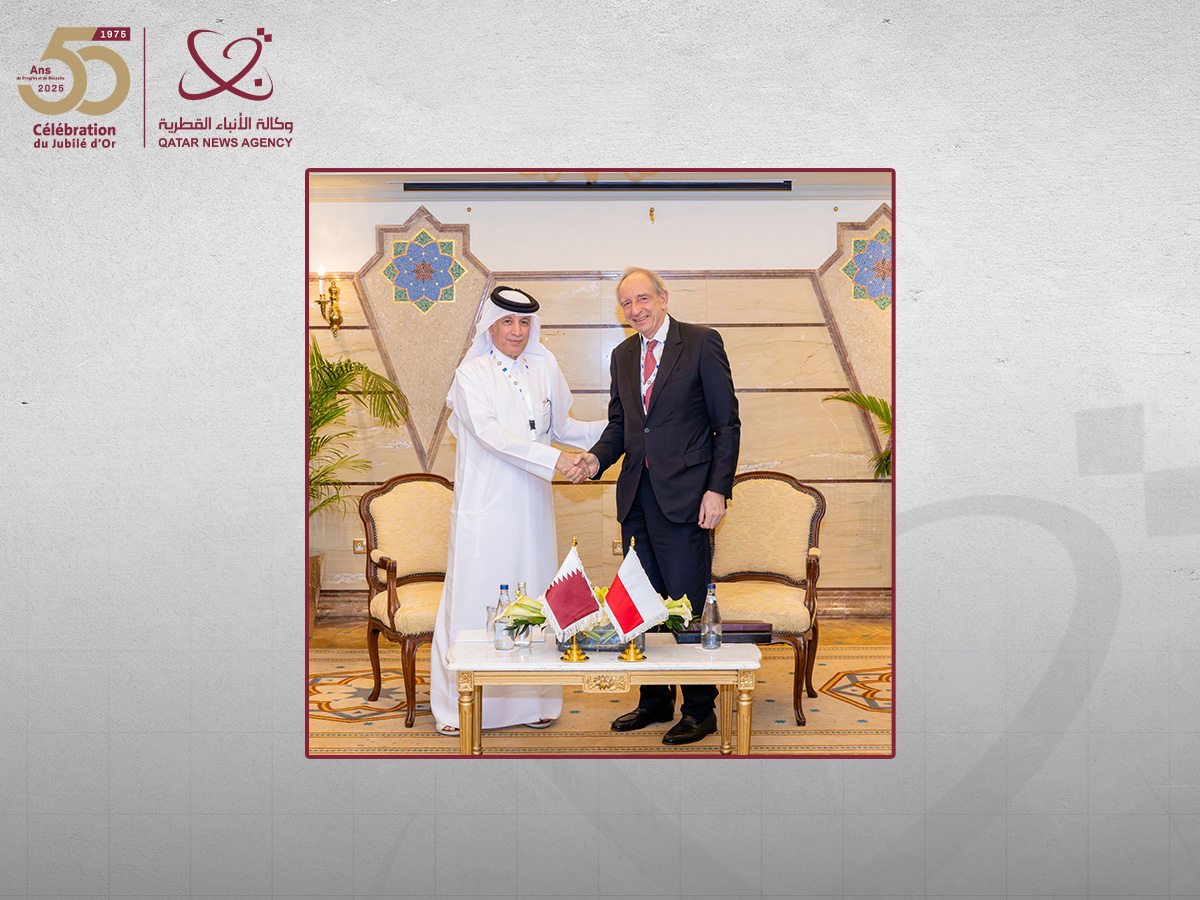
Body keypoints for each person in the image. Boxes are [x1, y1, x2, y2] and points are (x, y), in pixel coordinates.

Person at [429, 286, 603, 735]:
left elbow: (563, 427)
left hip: (532, 507)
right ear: (491, 326)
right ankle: (459, 708)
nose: (517, 331)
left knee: (534, 593)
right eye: (507, 321)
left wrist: (622, 429)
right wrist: (557, 460)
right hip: (486, 507)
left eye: (524, 322)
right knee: (478, 597)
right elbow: (492, 437)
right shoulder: (471, 374)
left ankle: (534, 701)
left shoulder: (545, 366)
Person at [577, 267, 740, 745]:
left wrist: (717, 490)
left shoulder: (702, 342)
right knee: (640, 601)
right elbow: (622, 427)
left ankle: (700, 709)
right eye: (627, 303)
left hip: (688, 497)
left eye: (643, 299)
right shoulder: (623, 355)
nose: (636, 310)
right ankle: (654, 701)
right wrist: (595, 459)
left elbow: (727, 424)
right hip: (636, 498)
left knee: (685, 603)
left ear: (663, 298)